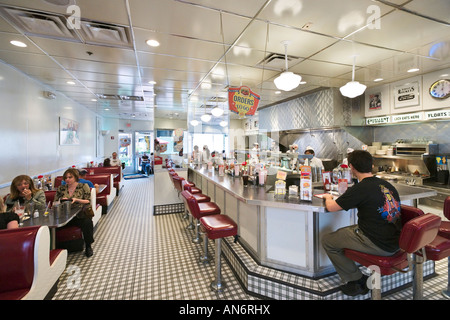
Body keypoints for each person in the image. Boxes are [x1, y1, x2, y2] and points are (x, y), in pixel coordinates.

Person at [321, 150, 402, 296]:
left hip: (378, 243)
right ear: (372, 165)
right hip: (397, 241)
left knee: (328, 240)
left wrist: (328, 197)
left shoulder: (360, 188)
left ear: (351, 167)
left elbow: (332, 207)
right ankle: (357, 278)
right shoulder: (386, 185)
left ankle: (356, 281)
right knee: (347, 231)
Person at [55, 168, 94, 257]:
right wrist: (61, 200)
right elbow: (55, 202)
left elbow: (88, 201)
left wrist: (76, 200)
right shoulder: (61, 188)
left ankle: (88, 246)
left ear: (75, 177)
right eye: (66, 178)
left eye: (70, 177)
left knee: (87, 222)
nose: (67, 179)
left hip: (79, 214)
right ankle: (56, 248)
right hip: (64, 214)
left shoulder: (83, 186)